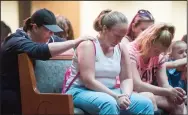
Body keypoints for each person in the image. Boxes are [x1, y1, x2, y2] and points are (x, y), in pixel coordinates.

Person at [0, 8, 92, 114]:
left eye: (53, 31)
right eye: (48, 30)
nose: (52, 34)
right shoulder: (15, 41)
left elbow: (65, 46)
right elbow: (40, 51)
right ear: (34, 27)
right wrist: (75, 42)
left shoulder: (47, 38)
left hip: (31, 93)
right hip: (11, 93)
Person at [65, 9, 154, 115]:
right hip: (80, 91)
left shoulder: (121, 48)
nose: (119, 41)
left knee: (146, 103)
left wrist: (125, 95)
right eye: (116, 36)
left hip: (110, 91)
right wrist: (115, 96)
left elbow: (126, 78)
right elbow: (88, 81)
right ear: (104, 29)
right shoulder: (88, 45)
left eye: (122, 37)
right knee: (109, 103)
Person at [127, 23, 187, 114]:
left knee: (178, 103)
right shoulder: (130, 51)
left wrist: (175, 93)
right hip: (128, 92)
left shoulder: (159, 57)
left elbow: (164, 84)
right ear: (148, 42)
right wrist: (168, 92)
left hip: (145, 93)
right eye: (156, 50)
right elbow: (137, 85)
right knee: (149, 97)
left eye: (161, 52)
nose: (158, 54)